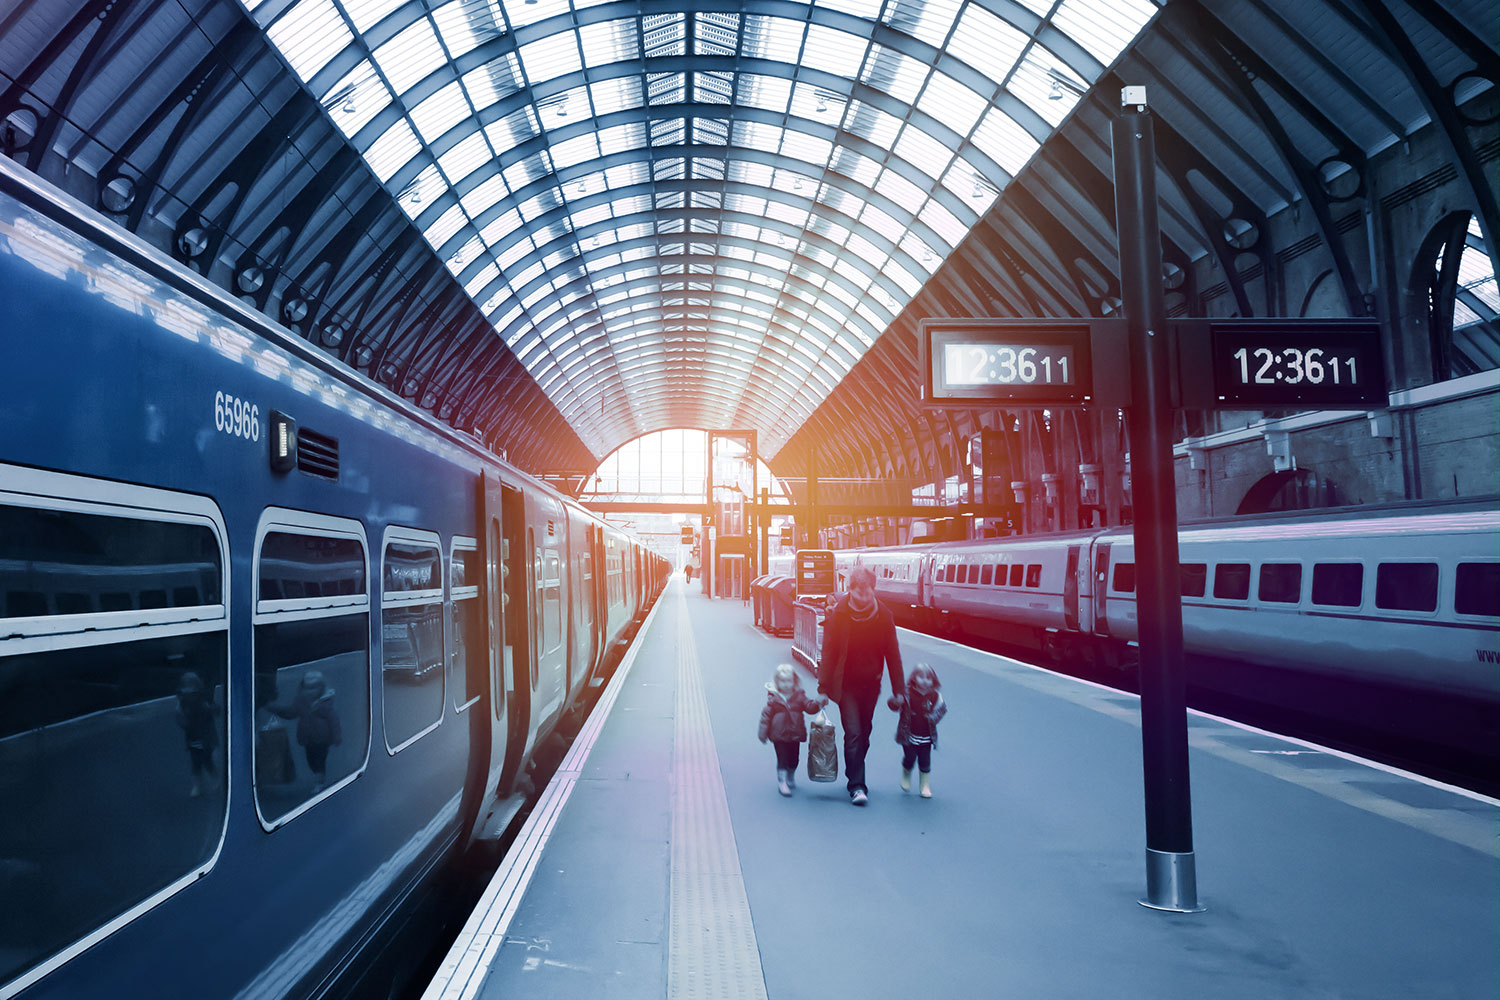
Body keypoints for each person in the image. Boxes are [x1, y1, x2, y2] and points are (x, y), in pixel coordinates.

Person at [817, 564, 904, 806]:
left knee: (864, 734)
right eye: (859, 592)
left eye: (868, 592)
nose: (864, 597)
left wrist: (899, 691)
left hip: (871, 685)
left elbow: (893, 654)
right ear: (850, 589)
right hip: (845, 686)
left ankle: (855, 768)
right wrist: (823, 688)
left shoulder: (883, 615)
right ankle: (857, 786)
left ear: (873, 589)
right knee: (853, 733)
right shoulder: (840, 614)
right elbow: (829, 651)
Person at [757, 663, 828, 797]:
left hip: (795, 734)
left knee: (794, 759)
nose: (786, 684)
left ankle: (790, 775)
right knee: (782, 758)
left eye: (788, 681)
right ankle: (782, 782)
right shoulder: (774, 699)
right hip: (778, 735)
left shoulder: (799, 696)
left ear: (794, 681)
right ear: (777, 682)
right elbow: (766, 716)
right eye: (782, 681)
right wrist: (763, 733)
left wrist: (818, 703)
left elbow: (809, 707)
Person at [269, 670, 342, 793]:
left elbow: (334, 721)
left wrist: (336, 737)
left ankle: (320, 780)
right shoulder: (301, 701)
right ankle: (318, 775)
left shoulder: (325, 704)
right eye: (307, 688)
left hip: (322, 739)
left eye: (313, 688)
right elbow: (291, 712)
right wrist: (275, 709)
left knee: (319, 760)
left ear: (321, 688)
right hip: (308, 739)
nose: (310, 691)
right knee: (311, 760)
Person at [892, 663, 947, 798]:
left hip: (926, 735)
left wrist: (933, 717)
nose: (925, 680)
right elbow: (895, 706)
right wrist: (894, 702)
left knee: (925, 760)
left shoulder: (935, 695)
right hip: (908, 734)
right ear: (914, 678)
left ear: (933, 680)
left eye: (928, 678)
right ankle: (906, 772)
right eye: (921, 677)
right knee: (910, 757)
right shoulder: (907, 693)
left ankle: (925, 785)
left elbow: (942, 709)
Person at [175, 671, 218, 797]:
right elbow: (182, 721)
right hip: (193, 738)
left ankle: (213, 778)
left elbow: (214, 713)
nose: (189, 695)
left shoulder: (203, 702)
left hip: (205, 738)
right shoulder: (183, 704)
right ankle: (198, 786)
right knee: (196, 763)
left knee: (206, 761)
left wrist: (210, 709)